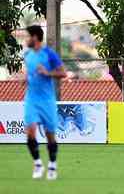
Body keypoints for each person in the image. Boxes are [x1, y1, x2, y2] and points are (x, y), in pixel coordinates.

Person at [24, 25, 67, 180]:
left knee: (50, 135)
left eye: (28, 36)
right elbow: (29, 74)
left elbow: (63, 73)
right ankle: (37, 164)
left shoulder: (49, 54)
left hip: (47, 100)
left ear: (35, 37)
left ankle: (52, 165)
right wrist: (24, 80)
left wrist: (47, 72)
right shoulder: (27, 55)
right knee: (30, 132)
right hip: (31, 99)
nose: (26, 39)